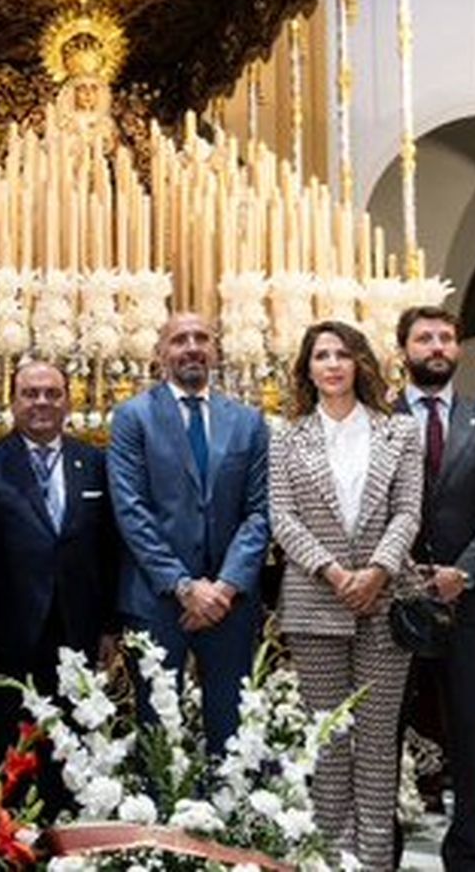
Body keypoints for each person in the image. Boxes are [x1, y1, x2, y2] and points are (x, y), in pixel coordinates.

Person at [269, 320, 422, 871]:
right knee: (329, 744)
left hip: (384, 604)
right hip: (315, 604)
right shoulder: (286, 434)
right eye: (320, 356)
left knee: (378, 749)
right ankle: (328, 860)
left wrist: (377, 571)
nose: (332, 364)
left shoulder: (397, 431)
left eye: (342, 354)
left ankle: (376, 863)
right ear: (307, 369)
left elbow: (408, 509)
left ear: (360, 362)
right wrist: (336, 574)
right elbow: (282, 518)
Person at [108, 312, 270, 755]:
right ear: (161, 353)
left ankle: (227, 819)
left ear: (216, 350)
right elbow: (131, 510)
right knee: (157, 732)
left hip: (230, 603)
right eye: (180, 339)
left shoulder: (248, 422)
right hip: (158, 599)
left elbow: (259, 513)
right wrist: (183, 586)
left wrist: (225, 586)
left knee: (232, 731)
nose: (192, 346)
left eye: (202, 338)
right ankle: (157, 824)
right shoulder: (132, 418)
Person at [395, 305, 475, 872]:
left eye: (446, 337)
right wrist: (400, 572)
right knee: (383, 741)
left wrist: (462, 573)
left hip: (474, 605)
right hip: (391, 605)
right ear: (404, 350)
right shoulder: (377, 418)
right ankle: (379, 853)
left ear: (460, 350)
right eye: (425, 338)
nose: (437, 346)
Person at [0, 360, 118, 789]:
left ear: (68, 400)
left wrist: (109, 625)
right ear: (13, 401)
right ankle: (4, 834)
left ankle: (66, 836)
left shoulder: (94, 461)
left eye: (52, 393)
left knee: (71, 744)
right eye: (31, 393)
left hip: (77, 627)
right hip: (4, 631)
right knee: (1, 743)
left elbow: (109, 547)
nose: (42, 402)